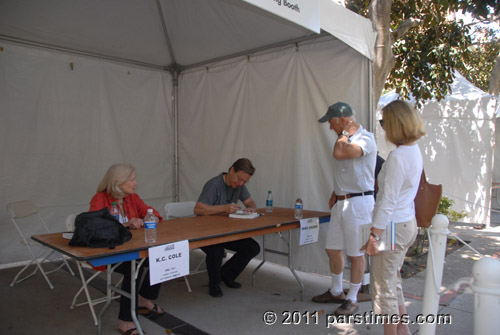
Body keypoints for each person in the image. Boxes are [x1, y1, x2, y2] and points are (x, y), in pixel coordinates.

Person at [361, 100, 425, 335]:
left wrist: (373, 235)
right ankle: (402, 329)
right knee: (392, 279)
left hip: (392, 227)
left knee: (383, 287)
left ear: (395, 125)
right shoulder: (413, 151)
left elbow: (388, 200)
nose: (383, 128)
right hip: (405, 223)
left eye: (384, 122)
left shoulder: (399, 156)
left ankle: (393, 331)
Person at [313, 102, 377, 316]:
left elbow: (340, 154)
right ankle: (336, 290)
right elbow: (347, 169)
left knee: (356, 253)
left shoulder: (364, 138)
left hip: (359, 203)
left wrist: (343, 135)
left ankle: (353, 298)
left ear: (342, 120)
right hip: (343, 202)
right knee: (332, 248)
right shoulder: (345, 138)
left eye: (332, 122)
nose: (330, 127)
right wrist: (336, 191)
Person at [89, 163, 164, 335]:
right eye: (131, 180)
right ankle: (125, 321)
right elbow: (95, 229)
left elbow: (156, 216)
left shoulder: (133, 198)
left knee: (161, 256)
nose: (135, 183)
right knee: (133, 266)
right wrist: (125, 224)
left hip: (131, 250)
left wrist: (145, 219)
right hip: (106, 254)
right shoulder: (99, 199)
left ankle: (143, 298)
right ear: (118, 182)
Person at [194, 158, 261, 298]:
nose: (241, 183)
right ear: (231, 170)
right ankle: (214, 284)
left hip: (226, 232)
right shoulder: (214, 184)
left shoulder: (240, 185)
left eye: (244, 182)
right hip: (206, 232)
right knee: (216, 251)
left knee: (252, 247)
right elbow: (198, 209)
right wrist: (223, 208)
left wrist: (251, 209)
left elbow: (251, 202)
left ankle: (226, 274)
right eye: (239, 179)